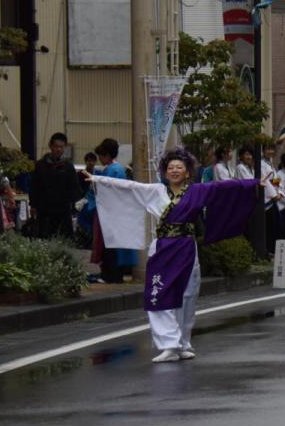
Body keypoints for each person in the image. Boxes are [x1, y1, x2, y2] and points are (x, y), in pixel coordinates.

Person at [84, 148, 258, 363]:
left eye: (179, 168)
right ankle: (168, 344)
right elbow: (131, 187)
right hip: (163, 248)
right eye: (170, 168)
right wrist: (99, 180)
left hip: (186, 246)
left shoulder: (196, 191)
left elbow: (223, 187)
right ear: (165, 173)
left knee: (187, 294)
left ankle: (183, 342)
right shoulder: (156, 191)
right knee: (158, 293)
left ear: (187, 172)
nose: (174, 171)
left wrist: (253, 183)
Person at [88, 139, 138, 284]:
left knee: (110, 247)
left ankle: (110, 274)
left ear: (107, 155)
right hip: (116, 213)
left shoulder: (112, 170)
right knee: (114, 247)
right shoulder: (117, 169)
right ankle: (113, 274)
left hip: (110, 213)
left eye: (101, 156)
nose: (100, 159)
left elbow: (106, 192)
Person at [29, 132, 82, 240]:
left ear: (64, 148)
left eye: (61, 147)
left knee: (64, 240)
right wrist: (33, 205)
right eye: (56, 146)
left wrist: (75, 205)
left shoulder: (68, 167)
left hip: (63, 212)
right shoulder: (40, 165)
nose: (58, 149)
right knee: (45, 239)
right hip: (44, 211)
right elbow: (34, 187)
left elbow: (75, 188)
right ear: (50, 146)